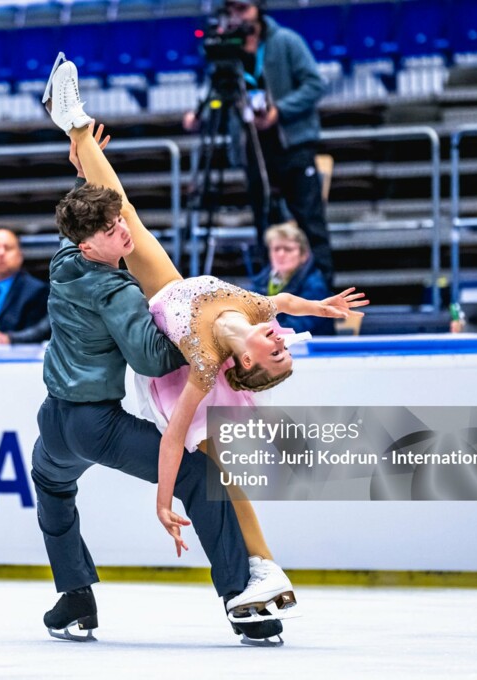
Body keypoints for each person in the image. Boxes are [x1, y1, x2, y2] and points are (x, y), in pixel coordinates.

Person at [35, 60, 285, 646]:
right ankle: (241, 601)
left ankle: (74, 598)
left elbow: (98, 219)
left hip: (54, 421)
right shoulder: (116, 287)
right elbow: (151, 357)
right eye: (108, 230)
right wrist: (200, 341)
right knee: (203, 478)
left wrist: (86, 164)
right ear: (91, 243)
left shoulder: (65, 263)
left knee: (50, 485)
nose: (117, 229)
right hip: (95, 423)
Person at [184, 0, 333, 285]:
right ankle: (273, 299)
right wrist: (200, 115)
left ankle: (323, 298)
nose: (237, 16)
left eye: (243, 8)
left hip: (292, 146)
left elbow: (315, 84)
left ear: (258, 9)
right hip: (253, 148)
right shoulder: (228, 52)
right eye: (231, 10)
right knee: (266, 228)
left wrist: (280, 111)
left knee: (311, 224)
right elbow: (218, 91)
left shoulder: (286, 41)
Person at [250, 221, 335, 336]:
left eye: (288, 249)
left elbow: (297, 326)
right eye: (276, 249)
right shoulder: (260, 281)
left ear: (303, 255)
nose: (281, 254)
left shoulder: (315, 284)